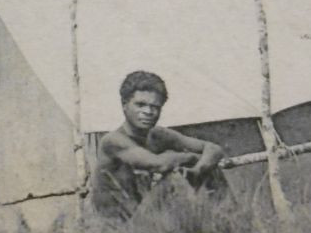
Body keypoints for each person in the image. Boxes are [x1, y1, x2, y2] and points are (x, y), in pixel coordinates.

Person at [90, 70, 226, 220]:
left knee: (210, 165)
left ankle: (228, 219)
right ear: (124, 105)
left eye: (155, 107)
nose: (148, 112)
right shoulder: (112, 141)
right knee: (175, 177)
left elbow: (213, 148)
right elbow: (158, 164)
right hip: (119, 227)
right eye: (140, 105)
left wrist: (199, 169)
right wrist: (192, 158)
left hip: (147, 217)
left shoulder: (158, 135)